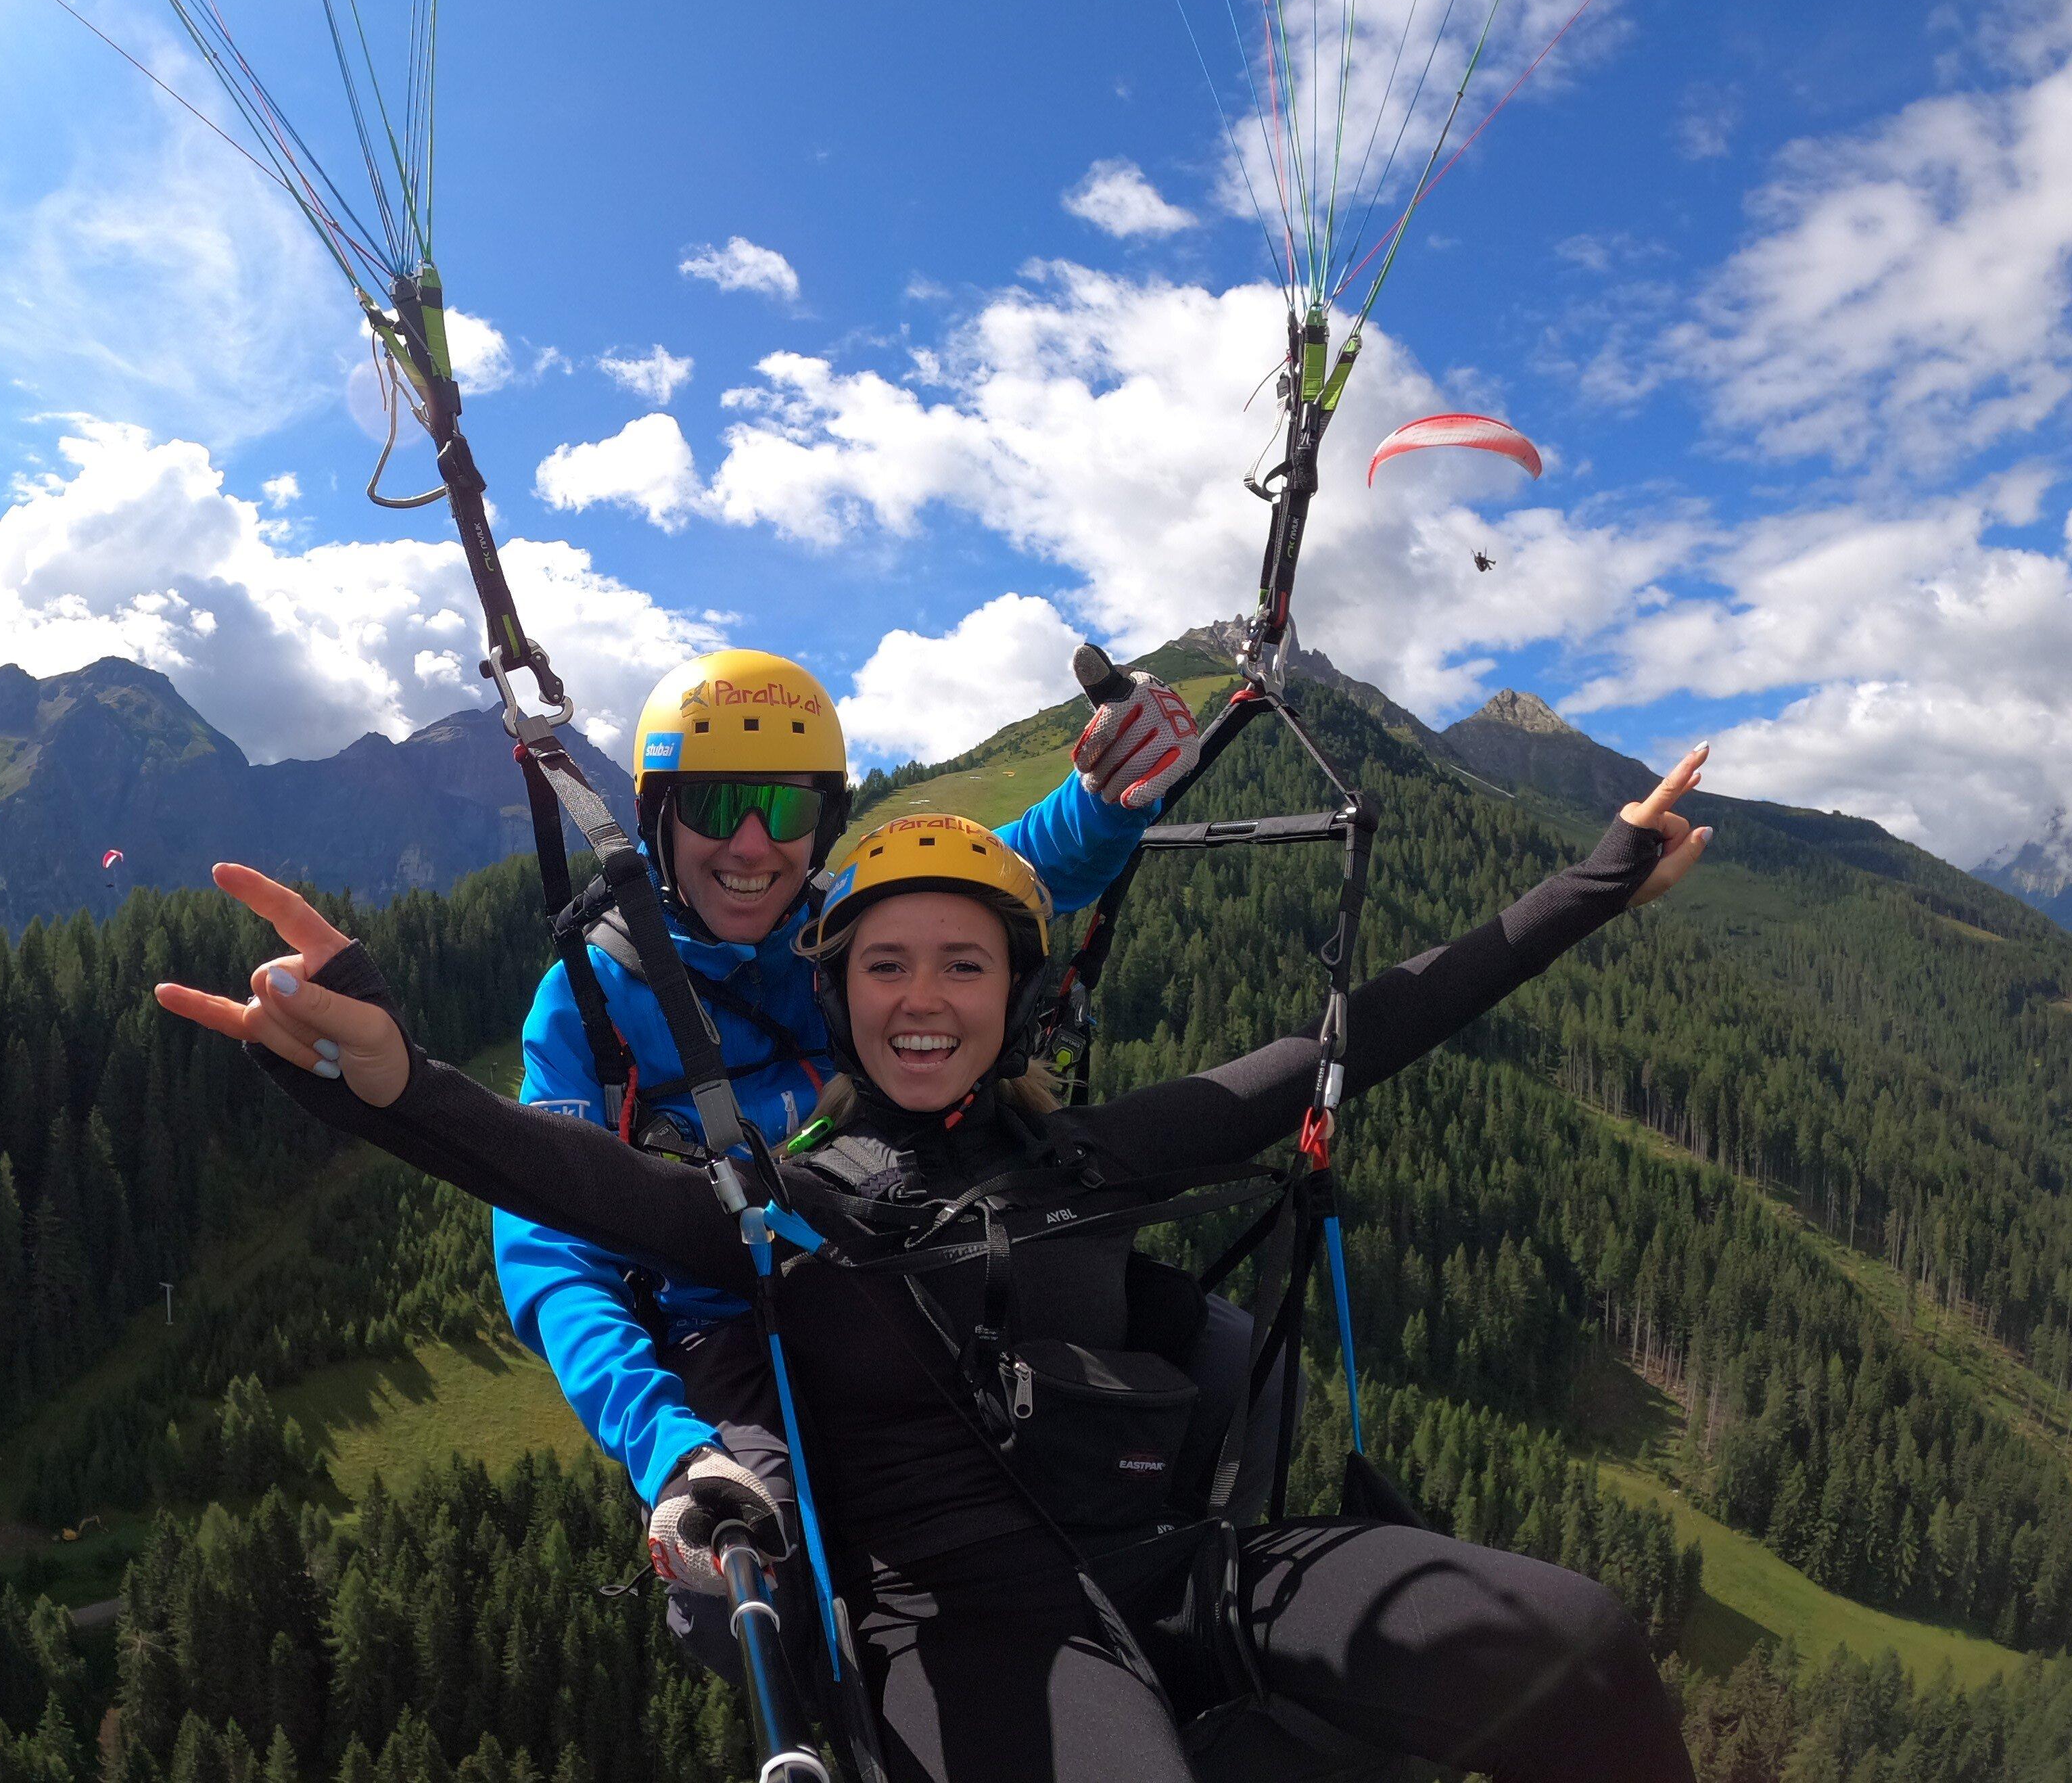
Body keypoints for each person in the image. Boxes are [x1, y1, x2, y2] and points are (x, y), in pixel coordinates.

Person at [157, 746, 1715, 1783]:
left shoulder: (1097, 1151)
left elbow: (1350, 1035)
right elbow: (556, 1175)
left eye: (960, 963)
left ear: (1010, 996)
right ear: (839, 1005)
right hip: (957, 1617)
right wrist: (379, 1076)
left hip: (1178, 1561)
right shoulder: (772, 1205)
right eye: (884, 965)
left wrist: (1592, 883)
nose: (922, 997)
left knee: (1571, 1642)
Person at [498, 649, 1243, 1668]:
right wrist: (668, 1440)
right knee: (749, 1599)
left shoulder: (845, 929)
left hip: (915, 1268)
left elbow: (1006, 874)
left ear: (827, 819)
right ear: (656, 817)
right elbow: (551, 1248)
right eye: (718, 808)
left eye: (789, 808)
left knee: (1198, 1348)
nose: (753, 845)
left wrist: (1103, 799)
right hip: (735, 1331)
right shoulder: (592, 999)